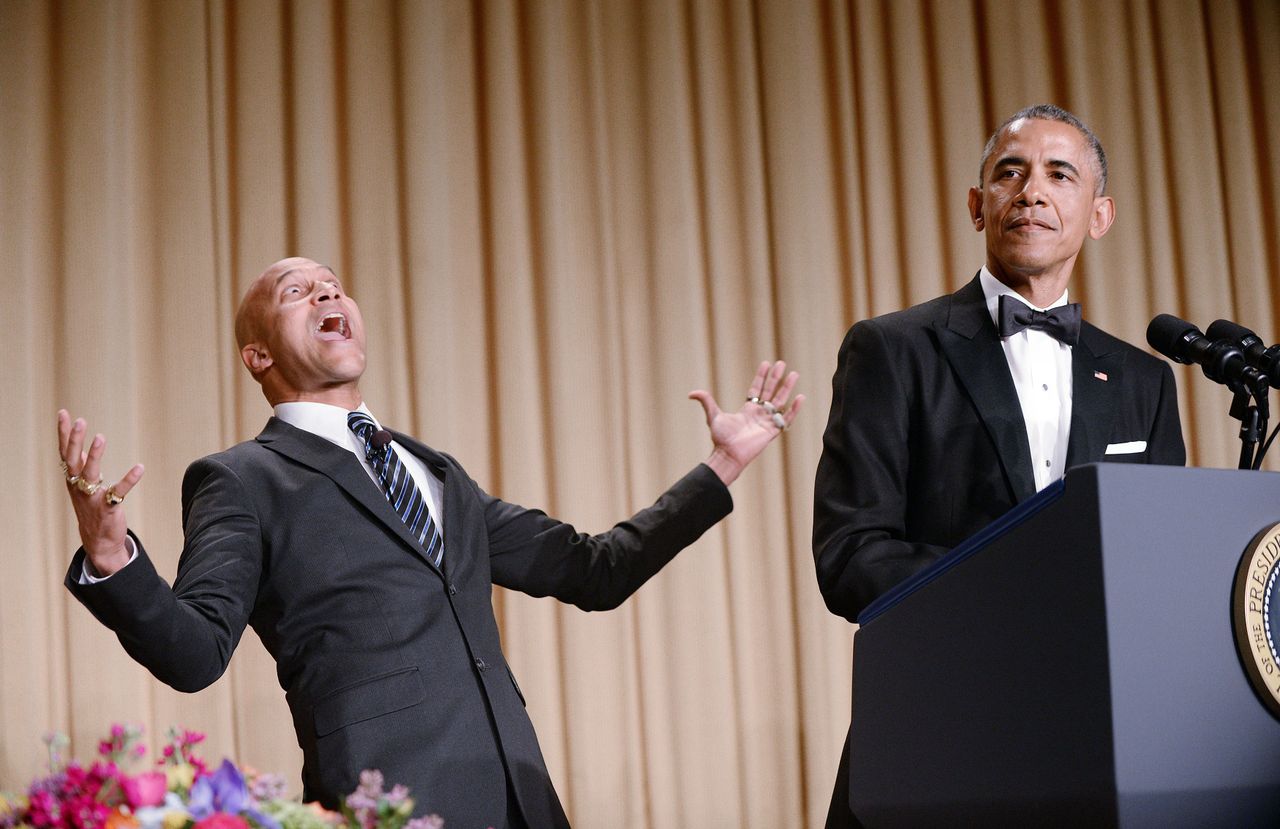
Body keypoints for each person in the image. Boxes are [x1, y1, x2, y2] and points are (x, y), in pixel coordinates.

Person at [58, 256, 804, 829]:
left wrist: (724, 463)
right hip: (390, 802)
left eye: (334, 286)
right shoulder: (242, 479)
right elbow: (193, 653)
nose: (327, 295)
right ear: (258, 356)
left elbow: (595, 568)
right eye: (298, 292)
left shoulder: (435, 473)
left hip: (521, 797)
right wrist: (111, 559)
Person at [812, 104, 1186, 827]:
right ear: (978, 206)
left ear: (1099, 214)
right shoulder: (892, 349)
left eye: (1059, 174)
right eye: (1010, 172)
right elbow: (851, 552)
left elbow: (1159, 564)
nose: (1033, 190)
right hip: (939, 732)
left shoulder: (1144, 380)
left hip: (1101, 744)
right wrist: (1014, 604)